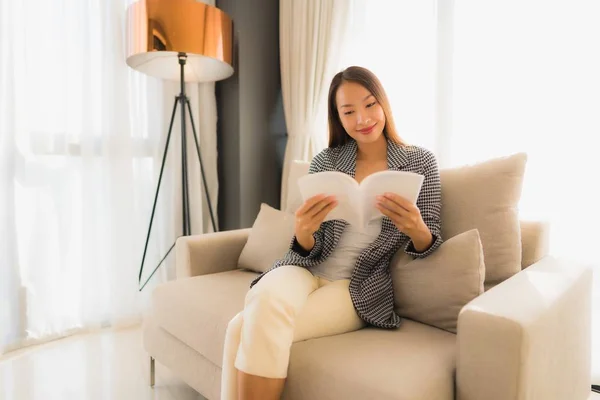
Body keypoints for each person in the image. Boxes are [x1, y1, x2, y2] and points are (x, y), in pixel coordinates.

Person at [221, 66, 443, 400]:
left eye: (369, 105)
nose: (362, 119)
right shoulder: (326, 161)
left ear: (383, 104)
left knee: (241, 327)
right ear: (338, 117)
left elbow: (428, 243)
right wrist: (304, 231)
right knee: (262, 303)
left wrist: (416, 229)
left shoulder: (419, 161)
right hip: (305, 269)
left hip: (357, 285)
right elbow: (307, 247)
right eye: (349, 111)